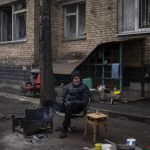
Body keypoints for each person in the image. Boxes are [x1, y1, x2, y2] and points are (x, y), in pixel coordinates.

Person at [58, 70, 91, 138]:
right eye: (75, 78)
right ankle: (44, 122)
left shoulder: (84, 87)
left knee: (69, 105)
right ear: (72, 79)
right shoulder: (68, 86)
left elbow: (85, 101)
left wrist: (72, 102)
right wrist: (61, 101)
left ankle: (64, 129)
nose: (77, 80)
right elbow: (63, 96)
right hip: (67, 105)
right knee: (50, 102)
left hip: (77, 107)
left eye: (78, 78)